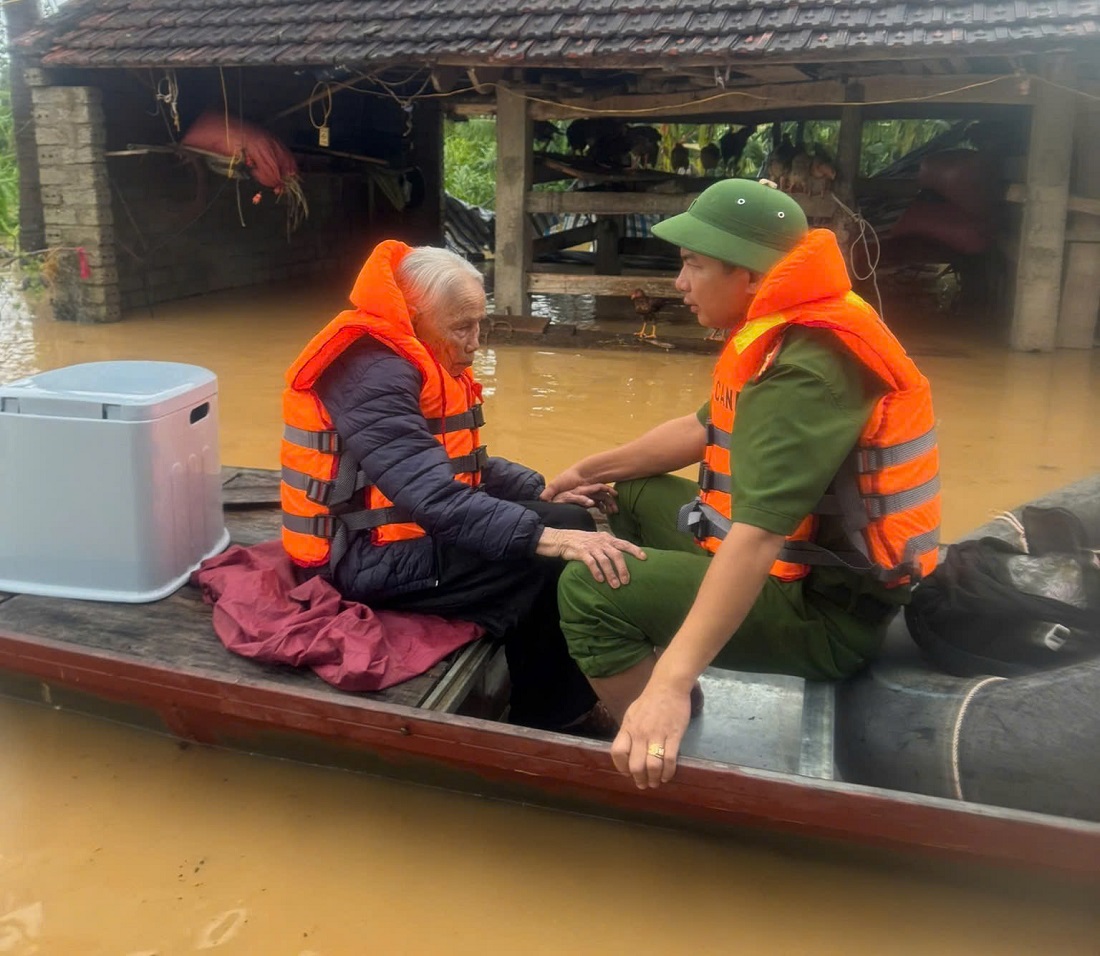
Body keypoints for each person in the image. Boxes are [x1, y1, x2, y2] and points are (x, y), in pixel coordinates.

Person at [542, 179, 940, 788]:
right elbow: (702, 426)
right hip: (800, 571)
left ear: (750, 277)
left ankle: (647, 734)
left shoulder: (806, 367)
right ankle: (661, 666)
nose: (679, 284)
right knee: (624, 494)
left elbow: (756, 538)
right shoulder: (789, 324)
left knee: (586, 590)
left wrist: (670, 685)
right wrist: (586, 471)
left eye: (694, 266)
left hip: (826, 614)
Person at [280, 240, 643, 733]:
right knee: (545, 558)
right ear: (412, 316)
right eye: (462, 327)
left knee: (569, 517)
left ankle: (559, 689)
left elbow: (460, 463)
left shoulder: (409, 356)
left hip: (400, 534)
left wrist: (539, 489)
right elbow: (431, 495)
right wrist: (546, 537)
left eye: (479, 324)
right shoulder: (371, 371)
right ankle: (557, 716)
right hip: (359, 558)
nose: (477, 342)